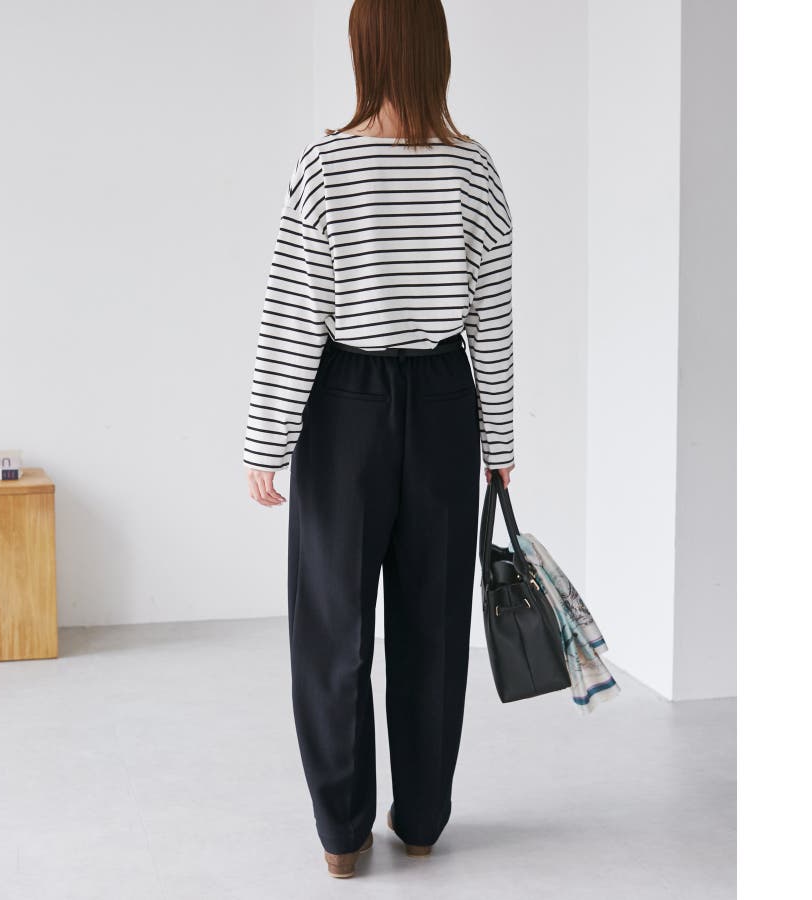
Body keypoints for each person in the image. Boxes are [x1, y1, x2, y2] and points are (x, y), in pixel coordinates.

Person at [242, 0, 514, 879]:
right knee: (433, 626)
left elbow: (295, 315)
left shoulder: (325, 166)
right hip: (445, 401)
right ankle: (423, 819)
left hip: (345, 404)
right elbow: (492, 318)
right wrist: (500, 440)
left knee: (332, 627)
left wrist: (266, 441)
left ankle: (342, 835)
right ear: (436, 52)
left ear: (364, 51)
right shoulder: (475, 170)